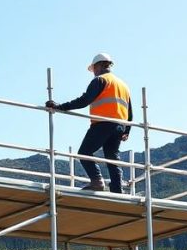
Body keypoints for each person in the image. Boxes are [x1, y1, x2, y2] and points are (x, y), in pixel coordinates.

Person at [46, 53, 132, 193]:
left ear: (98, 66)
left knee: (84, 152)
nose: (93, 72)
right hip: (119, 126)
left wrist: (59, 106)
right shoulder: (123, 85)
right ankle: (117, 190)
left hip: (102, 123)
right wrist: (127, 130)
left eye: (93, 69)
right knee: (112, 157)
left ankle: (97, 181)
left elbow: (85, 100)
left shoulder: (100, 80)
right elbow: (130, 111)